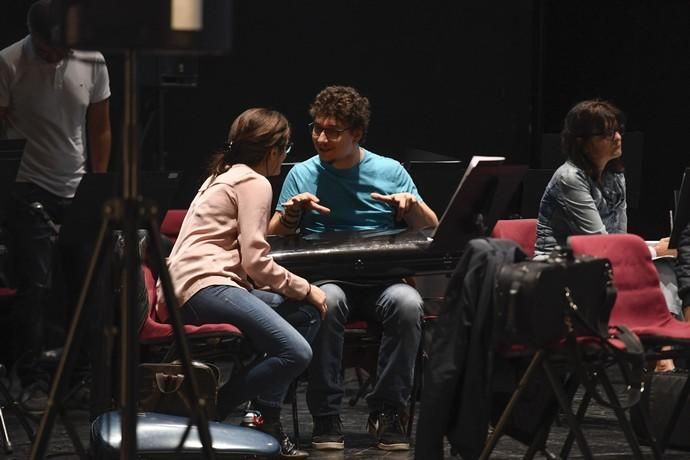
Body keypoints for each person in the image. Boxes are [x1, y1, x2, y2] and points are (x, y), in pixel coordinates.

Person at [268, 85, 438, 451]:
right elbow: (273, 235)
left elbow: (431, 226)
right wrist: (294, 212)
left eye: (332, 131)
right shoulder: (302, 173)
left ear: (356, 133)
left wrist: (411, 207)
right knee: (325, 301)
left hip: (383, 279)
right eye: (317, 129)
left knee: (408, 305)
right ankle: (326, 415)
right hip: (329, 274)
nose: (321, 138)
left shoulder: (390, 170)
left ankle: (390, 410)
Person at [162, 108, 327, 459]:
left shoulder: (221, 175)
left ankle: (265, 417)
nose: (284, 158)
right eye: (285, 149)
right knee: (296, 351)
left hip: (187, 285)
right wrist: (306, 287)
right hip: (205, 286)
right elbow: (256, 261)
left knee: (305, 315)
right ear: (273, 151)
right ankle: (215, 409)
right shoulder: (255, 182)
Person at [0, 0, 111, 368]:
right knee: (37, 286)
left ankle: (80, 377)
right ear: (32, 37)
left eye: (60, 46)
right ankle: (30, 377)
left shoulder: (91, 59)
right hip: (28, 184)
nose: (54, 54)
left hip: (76, 185)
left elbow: (100, 127)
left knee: (87, 284)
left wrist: (97, 184)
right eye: (46, 47)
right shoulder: (9, 62)